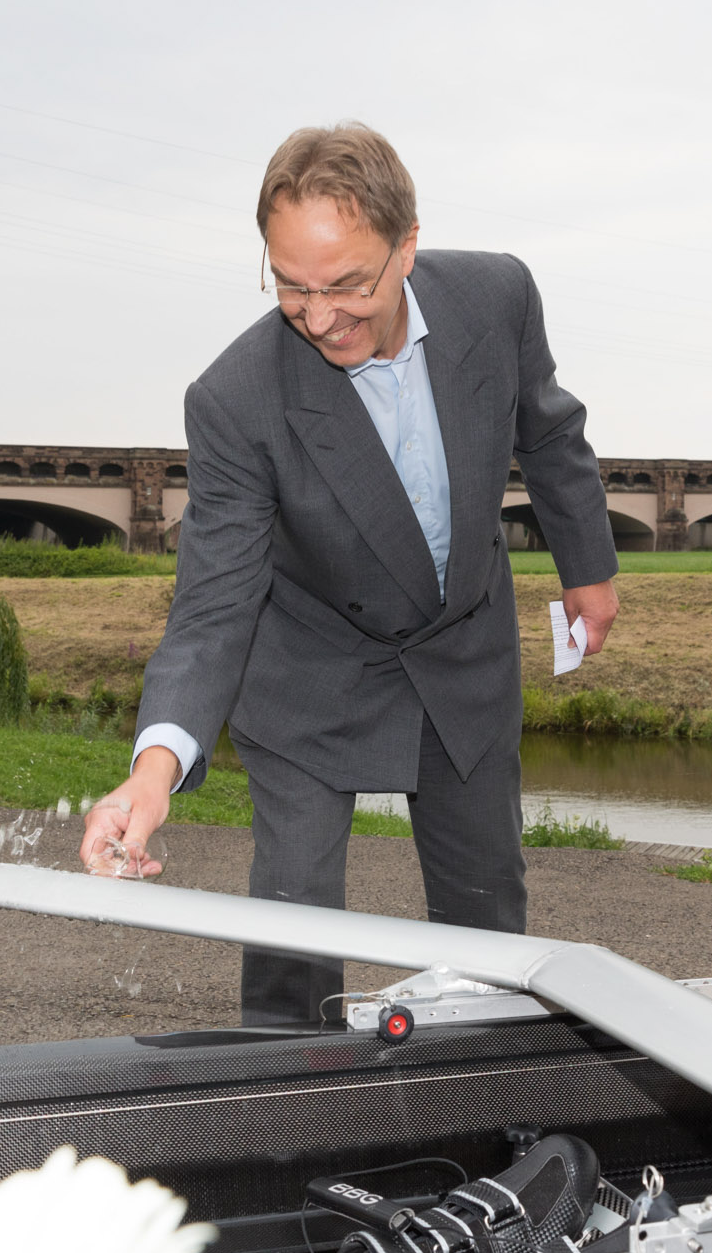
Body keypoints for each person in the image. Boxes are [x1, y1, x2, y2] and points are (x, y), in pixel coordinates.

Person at [80, 122, 622, 1027]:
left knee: (487, 927)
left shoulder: (498, 297)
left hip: (462, 647)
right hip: (310, 669)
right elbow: (213, 604)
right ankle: (287, 1118)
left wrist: (588, 568)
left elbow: (549, 429)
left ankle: (488, 1110)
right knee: (291, 926)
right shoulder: (235, 398)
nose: (319, 313)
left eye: (345, 284)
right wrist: (153, 770)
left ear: (407, 246)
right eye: (291, 284)